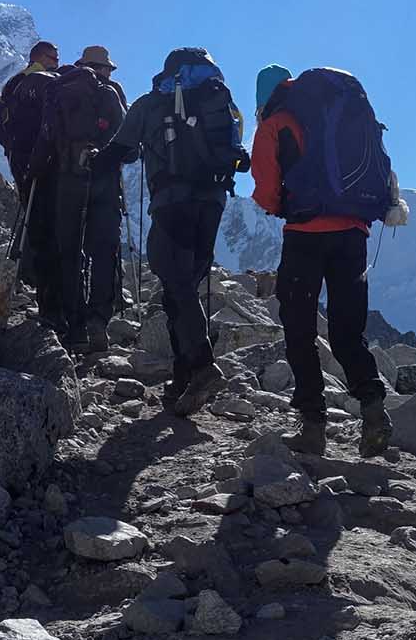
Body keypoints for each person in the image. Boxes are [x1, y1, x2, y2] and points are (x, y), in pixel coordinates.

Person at [250, 63, 395, 457]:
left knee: (299, 330)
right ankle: (373, 410)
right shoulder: (340, 111)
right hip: (354, 234)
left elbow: (265, 193)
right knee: (348, 333)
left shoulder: (277, 122)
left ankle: (313, 426)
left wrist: (285, 203)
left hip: (305, 236)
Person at [104, 47, 247, 415]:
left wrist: (91, 161)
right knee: (183, 288)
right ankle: (183, 380)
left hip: (172, 199)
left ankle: (201, 365)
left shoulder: (153, 102)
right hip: (213, 201)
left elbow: (119, 150)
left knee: (173, 278)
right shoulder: (220, 100)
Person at [50, 46, 129, 352]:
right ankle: (99, 321)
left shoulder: (63, 87)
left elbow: (48, 135)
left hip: (68, 179)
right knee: (104, 250)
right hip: (105, 183)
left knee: (70, 249)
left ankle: (73, 324)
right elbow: (130, 146)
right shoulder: (112, 94)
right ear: (105, 69)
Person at [0, 41, 66, 323]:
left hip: (21, 157)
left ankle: (29, 277)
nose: (56, 62)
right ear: (39, 57)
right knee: (44, 224)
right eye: (53, 57)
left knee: (34, 215)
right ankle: (45, 294)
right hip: (39, 159)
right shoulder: (39, 82)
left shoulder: (14, 83)